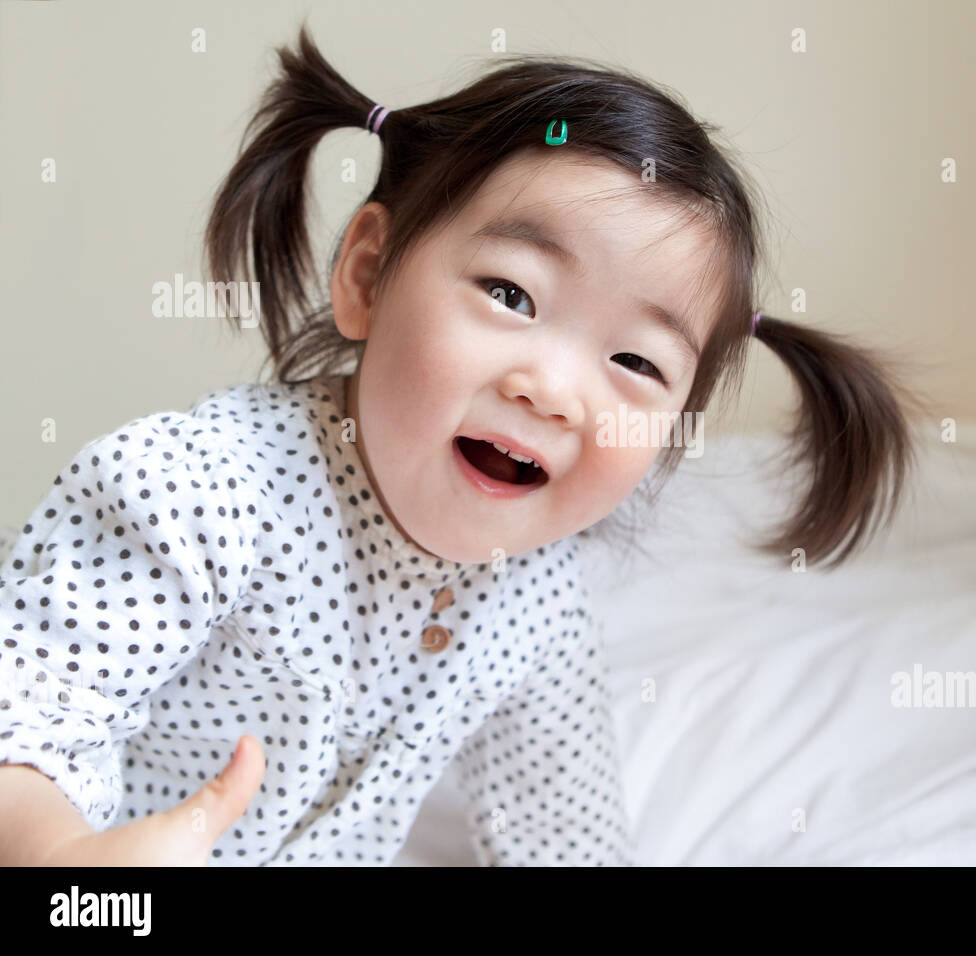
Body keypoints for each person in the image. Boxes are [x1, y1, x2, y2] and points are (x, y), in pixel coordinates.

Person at [0, 23, 919, 866]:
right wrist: (57, 863)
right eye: (510, 294)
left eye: (637, 360)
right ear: (367, 274)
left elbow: (565, 838)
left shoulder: (539, 602)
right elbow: (26, 720)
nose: (552, 391)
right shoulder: (195, 492)